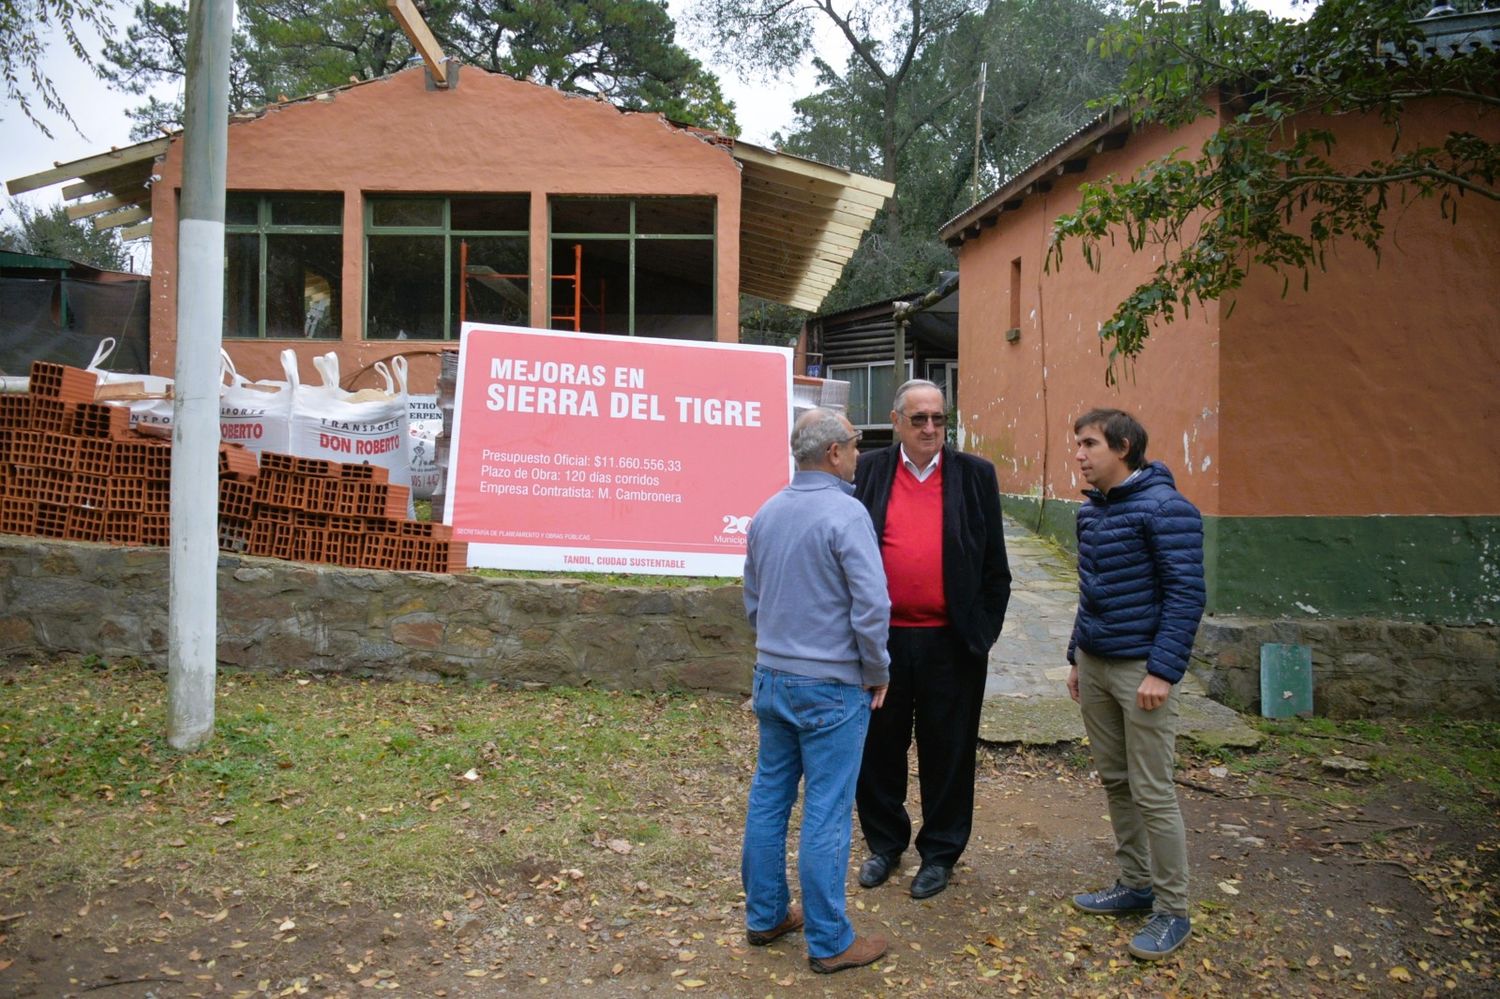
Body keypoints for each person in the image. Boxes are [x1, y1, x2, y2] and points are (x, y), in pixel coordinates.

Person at [741, 407, 893, 975]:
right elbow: (872, 606)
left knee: (770, 798)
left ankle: (766, 915)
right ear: (833, 453)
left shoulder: (767, 513)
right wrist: (876, 669)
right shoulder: (846, 514)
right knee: (827, 812)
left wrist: (781, 648)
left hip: (772, 677)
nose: (858, 454)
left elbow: (753, 601)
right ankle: (829, 942)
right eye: (854, 445)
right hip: (831, 685)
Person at [852, 379, 1011, 900]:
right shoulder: (870, 470)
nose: (929, 428)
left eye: (938, 419)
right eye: (918, 418)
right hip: (883, 641)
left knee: (950, 750)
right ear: (896, 421)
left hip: (952, 642)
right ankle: (884, 844)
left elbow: (996, 568)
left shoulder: (974, 475)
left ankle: (940, 852)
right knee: (878, 747)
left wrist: (982, 634)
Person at [1065, 408, 1206, 961]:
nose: (1079, 453)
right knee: (1117, 780)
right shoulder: (1091, 512)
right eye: (1077, 444)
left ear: (1122, 447)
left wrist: (1162, 671)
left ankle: (1172, 910)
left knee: (1152, 790)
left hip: (1141, 670)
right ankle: (1135, 883)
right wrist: (1076, 655)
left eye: (1089, 444)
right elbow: (1090, 590)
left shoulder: (1168, 510)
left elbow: (1186, 595)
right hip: (1097, 666)